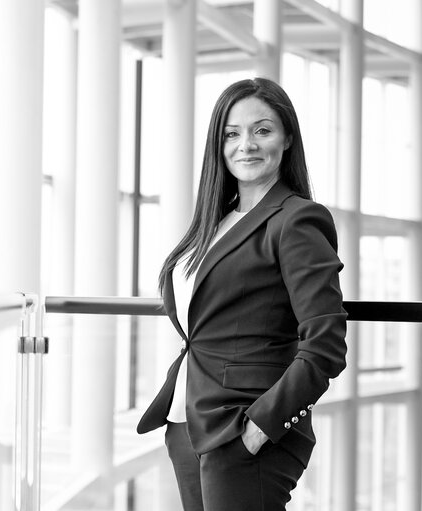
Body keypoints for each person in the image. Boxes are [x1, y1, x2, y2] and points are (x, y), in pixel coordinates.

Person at [136, 77, 347, 510]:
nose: (245, 145)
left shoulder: (297, 220)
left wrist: (259, 429)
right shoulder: (214, 222)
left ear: (287, 137)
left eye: (262, 130)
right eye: (232, 133)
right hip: (188, 420)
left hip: (245, 428)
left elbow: (325, 344)